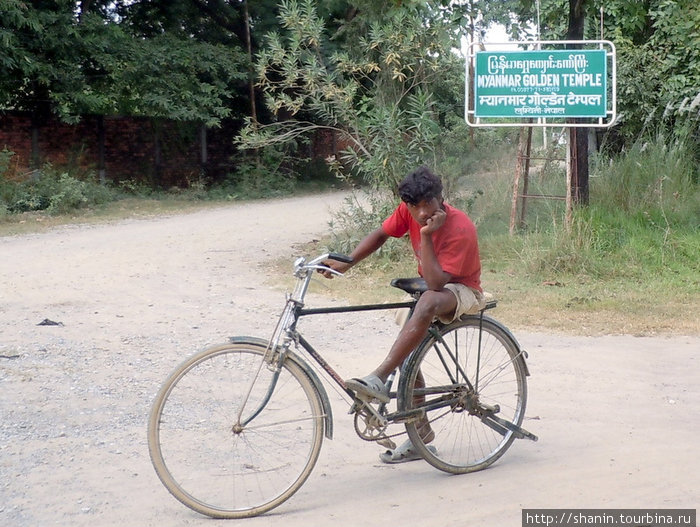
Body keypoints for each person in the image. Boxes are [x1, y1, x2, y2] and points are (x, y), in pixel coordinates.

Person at [321, 165, 484, 463]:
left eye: (428, 205)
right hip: (434, 289)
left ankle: (379, 378)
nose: (422, 212)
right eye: (414, 207)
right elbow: (381, 234)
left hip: (461, 290)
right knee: (409, 357)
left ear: (439, 198)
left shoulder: (460, 227)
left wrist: (425, 235)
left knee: (428, 301)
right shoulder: (407, 211)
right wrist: (347, 262)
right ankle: (420, 437)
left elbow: (436, 285)